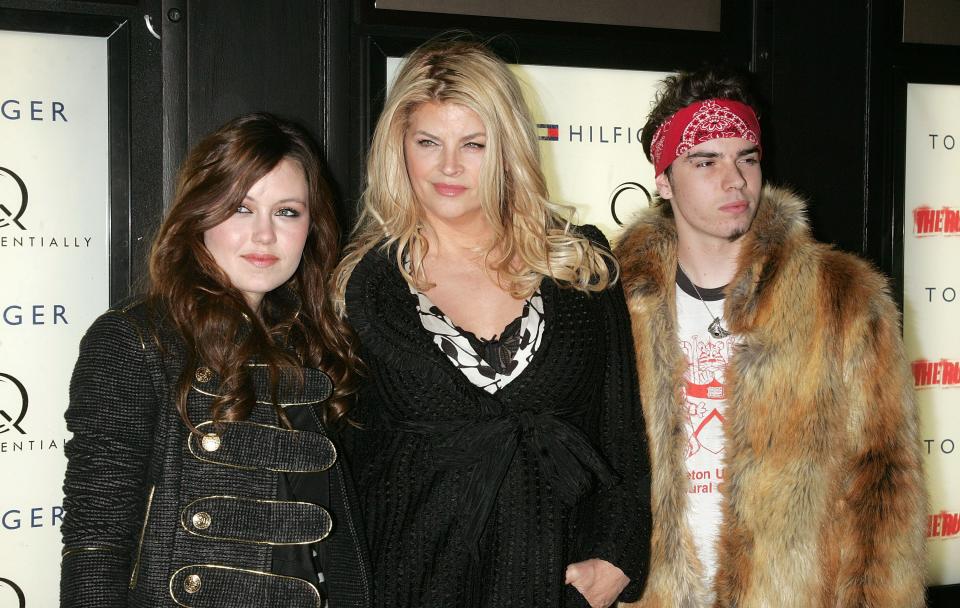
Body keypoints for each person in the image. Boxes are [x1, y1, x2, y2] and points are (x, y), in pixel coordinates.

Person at [334, 39, 651, 608]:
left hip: (556, 579)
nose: (449, 166)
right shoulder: (367, 285)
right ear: (398, 148)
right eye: (428, 142)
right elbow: (347, 461)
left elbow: (620, 427)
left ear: (507, 148)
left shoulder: (578, 266)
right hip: (409, 580)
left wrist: (619, 555)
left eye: (473, 144)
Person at [615, 67, 927, 607]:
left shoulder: (845, 300)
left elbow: (883, 485)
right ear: (663, 180)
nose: (734, 180)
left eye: (747, 157)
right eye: (705, 160)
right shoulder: (613, 302)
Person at [60, 113, 371, 607]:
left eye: (287, 212)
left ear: (313, 226)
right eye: (242, 209)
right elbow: (95, 536)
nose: (265, 235)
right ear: (201, 215)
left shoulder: (320, 346)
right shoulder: (135, 339)